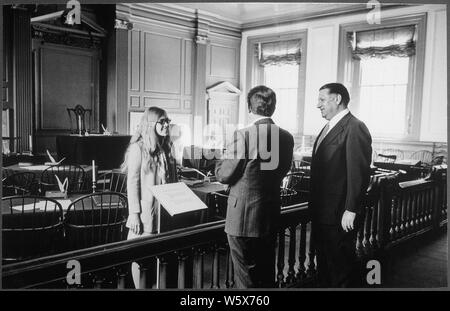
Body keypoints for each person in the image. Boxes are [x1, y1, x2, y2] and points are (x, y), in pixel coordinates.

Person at [215, 85, 294, 288]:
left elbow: (224, 174)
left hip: (243, 216)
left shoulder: (244, 135)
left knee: (245, 279)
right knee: (266, 274)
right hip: (270, 215)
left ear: (250, 108)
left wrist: (222, 168)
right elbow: (281, 170)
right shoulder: (286, 137)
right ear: (273, 108)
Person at [310, 83, 372, 287]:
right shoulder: (328, 127)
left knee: (341, 269)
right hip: (322, 213)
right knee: (325, 266)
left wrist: (351, 209)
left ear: (337, 99)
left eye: (321, 99)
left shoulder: (355, 127)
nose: (317, 105)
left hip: (339, 214)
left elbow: (358, 173)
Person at [121, 106, 178, 289]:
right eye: (162, 122)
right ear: (150, 124)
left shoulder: (168, 148)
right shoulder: (138, 148)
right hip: (146, 213)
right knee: (140, 258)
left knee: (161, 258)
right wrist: (134, 213)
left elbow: (173, 180)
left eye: (168, 121)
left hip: (165, 213)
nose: (166, 125)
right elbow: (132, 183)